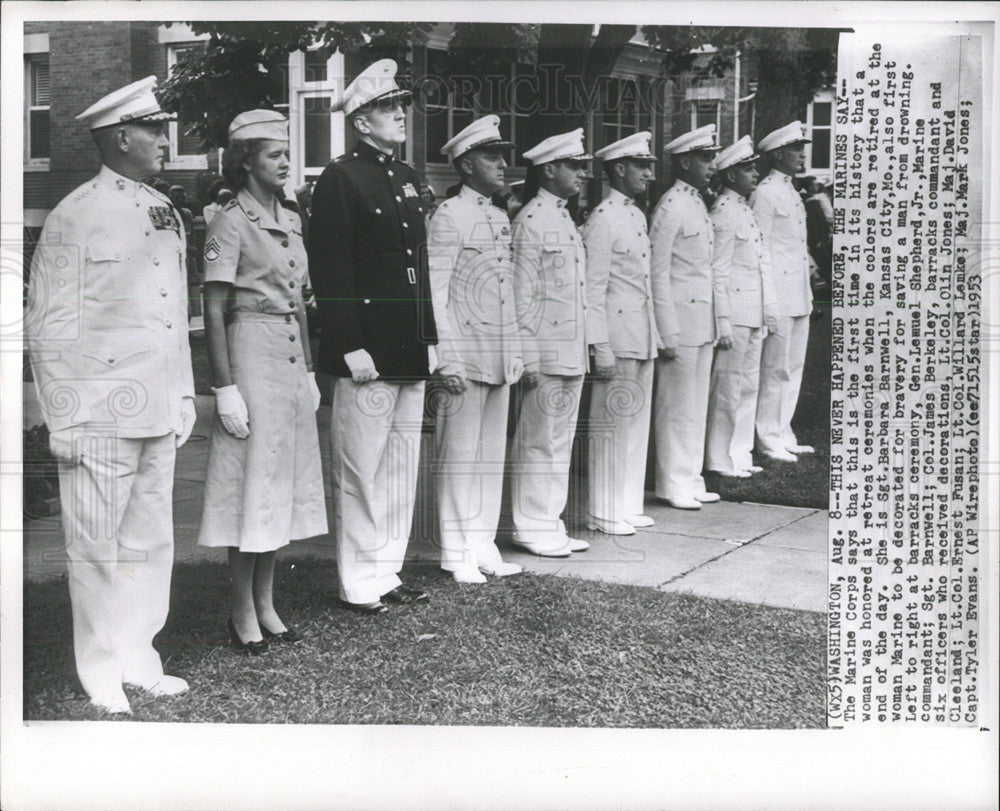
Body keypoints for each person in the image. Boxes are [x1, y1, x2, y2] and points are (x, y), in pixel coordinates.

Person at [24, 76, 195, 714]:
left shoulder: (165, 209)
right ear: (121, 136)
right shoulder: (75, 214)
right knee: (94, 546)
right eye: (153, 128)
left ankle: (138, 656)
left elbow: (173, 313)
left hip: (155, 401)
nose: (163, 138)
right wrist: (60, 419)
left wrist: (183, 394)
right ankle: (99, 669)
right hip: (97, 410)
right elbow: (46, 325)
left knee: (151, 540)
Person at [308, 59, 438, 614]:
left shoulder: (406, 177)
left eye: (400, 105)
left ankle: (387, 571)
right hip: (367, 349)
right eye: (388, 108)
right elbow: (331, 268)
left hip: (407, 343)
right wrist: (349, 344)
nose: (400, 114)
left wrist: (429, 336)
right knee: (362, 468)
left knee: (400, 465)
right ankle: (359, 580)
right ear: (362, 122)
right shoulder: (342, 177)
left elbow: (420, 266)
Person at [196, 110, 327, 654]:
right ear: (244, 160)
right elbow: (213, 306)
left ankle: (267, 602)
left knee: (278, 485)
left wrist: (312, 370)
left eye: (285, 152)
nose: (284, 161)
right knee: (251, 485)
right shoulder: (229, 221)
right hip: (250, 352)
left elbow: (298, 299)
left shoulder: (291, 218)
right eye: (273, 153)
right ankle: (240, 608)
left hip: (289, 357)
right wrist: (224, 387)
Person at [427, 115, 525, 583]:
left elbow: (506, 290)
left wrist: (516, 348)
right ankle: (454, 549)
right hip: (465, 353)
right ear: (466, 165)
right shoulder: (449, 216)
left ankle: (482, 543)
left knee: (489, 457)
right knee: (459, 458)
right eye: (492, 156)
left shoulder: (496, 213)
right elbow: (436, 292)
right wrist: (445, 357)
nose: (503, 164)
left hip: (498, 351)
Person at [508, 128, 592, 557]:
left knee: (559, 442)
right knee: (539, 440)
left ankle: (549, 522)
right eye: (574, 166)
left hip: (569, 348)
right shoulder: (531, 222)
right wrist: (528, 360)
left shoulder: (562, 217)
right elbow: (522, 296)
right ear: (549, 169)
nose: (582, 173)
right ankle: (531, 525)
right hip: (544, 350)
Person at [582, 131, 662, 535]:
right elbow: (592, 289)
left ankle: (626, 503)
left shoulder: (633, 214)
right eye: (642, 166)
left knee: (634, 425)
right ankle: (604, 508)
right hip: (616, 333)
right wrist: (599, 344)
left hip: (639, 331)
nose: (649, 174)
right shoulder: (603, 219)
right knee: (612, 425)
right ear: (619, 169)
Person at [649, 124, 722, 510]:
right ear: (684, 162)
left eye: (711, 158)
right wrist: (666, 328)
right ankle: (672, 481)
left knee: (695, 406)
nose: (712, 165)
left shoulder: (695, 202)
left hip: (701, 321)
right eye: (705, 158)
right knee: (676, 407)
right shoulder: (671, 205)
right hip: (678, 320)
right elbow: (657, 271)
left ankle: (691, 477)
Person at [704, 135, 779, 478]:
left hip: (751, 311)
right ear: (730, 175)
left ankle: (739, 452)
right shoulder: (723, 212)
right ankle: (718, 457)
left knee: (747, 386)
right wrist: (723, 321)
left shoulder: (743, 210)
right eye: (747, 168)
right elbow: (718, 272)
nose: (754, 173)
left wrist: (765, 310)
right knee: (727, 390)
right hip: (734, 313)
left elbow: (759, 267)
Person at [752, 121, 815, 461]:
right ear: (778, 154)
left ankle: (783, 430)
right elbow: (759, 248)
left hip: (798, 292)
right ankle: (767, 436)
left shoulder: (790, 190)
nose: (802, 154)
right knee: (774, 368)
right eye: (796, 149)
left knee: (793, 367)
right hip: (778, 292)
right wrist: (768, 299)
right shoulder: (764, 193)